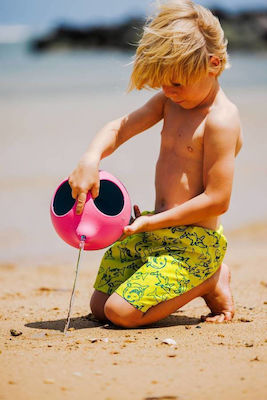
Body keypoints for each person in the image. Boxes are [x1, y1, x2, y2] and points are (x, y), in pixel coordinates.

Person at [68, 0, 242, 328]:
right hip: (154, 229)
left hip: (193, 243)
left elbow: (218, 199)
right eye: (163, 82)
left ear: (213, 64)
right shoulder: (169, 102)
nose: (168, 91)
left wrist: (153, 223)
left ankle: (210, 278)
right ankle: (193, 278)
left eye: (176, 83)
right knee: (100, 306)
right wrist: (91, 157)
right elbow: (120, 128)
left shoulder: (221, 120)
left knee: (121, 314)